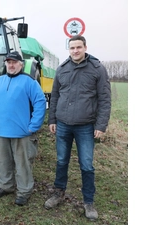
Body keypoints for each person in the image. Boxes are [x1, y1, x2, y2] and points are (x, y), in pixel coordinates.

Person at [44, 35, 111, 220]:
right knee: (61, 161)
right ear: (69, 49)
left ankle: (88, 202)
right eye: (72, 48)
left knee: (87, 165)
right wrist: (52, 120)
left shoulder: (97, 69)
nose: (75, 51)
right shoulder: (62, 69)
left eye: (78, 47)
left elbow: (105, 99)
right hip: (63, 124)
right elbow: (55, 96)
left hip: (86, 126)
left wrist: (101, 125)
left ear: (85, 47)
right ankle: (58, 192)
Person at [0, 51, 46, 206]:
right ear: (5, 64)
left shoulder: (29, 82)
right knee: (2, 162)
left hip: (22, 133)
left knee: (23, 163)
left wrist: (33, 126)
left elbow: (40, 103)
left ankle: (24, 191)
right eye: (8, 62)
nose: (11, 65)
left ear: (21, 64)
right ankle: (6, 187)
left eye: (14, 62)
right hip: (1, 132)